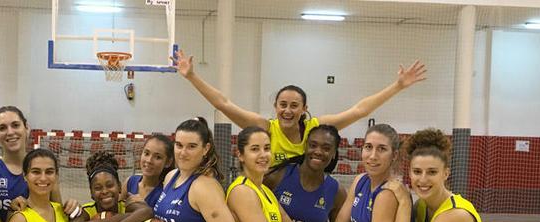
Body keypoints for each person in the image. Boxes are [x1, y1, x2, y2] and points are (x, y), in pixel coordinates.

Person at [172, 49, 426, 164]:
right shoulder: (265, 128)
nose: (288, 110)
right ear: (275, 106)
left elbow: (360, 110)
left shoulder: (317, 128)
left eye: (294, 105)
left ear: (304, 109)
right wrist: (192, 76)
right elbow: (223, 103)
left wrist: (398, 85)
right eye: (283, 105)